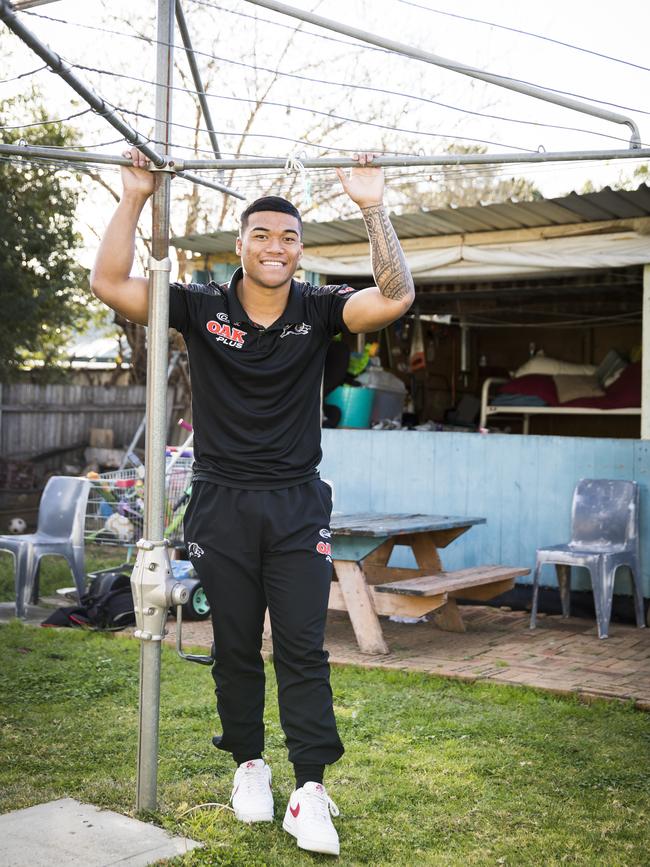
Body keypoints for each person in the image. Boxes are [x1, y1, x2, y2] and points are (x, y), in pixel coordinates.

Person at [91, 150, 414, 857]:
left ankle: (309, 790)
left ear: (301, 250)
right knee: (235, 647)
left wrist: (372, 206)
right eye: (262, 234)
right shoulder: (202, 306)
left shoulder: (320, 307)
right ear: (240, 244)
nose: (275, 246)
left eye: (289, 237)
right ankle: (249, 766)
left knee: (303, 646)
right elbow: (109, 282)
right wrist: (135, 196)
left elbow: (394, 297)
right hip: (221, 502)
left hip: (298, 503)